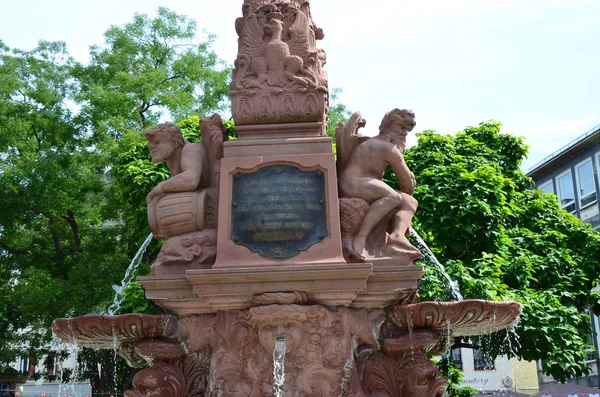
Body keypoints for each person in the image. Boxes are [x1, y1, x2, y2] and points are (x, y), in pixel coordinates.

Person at [339, 109, 418, 257]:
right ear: (388, 126)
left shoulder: (375, 143)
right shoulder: (388, 148)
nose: (404, 134)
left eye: (407, 131)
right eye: (401, 128)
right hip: (353, 183)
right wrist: (410, 180)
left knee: (410, 202)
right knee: (393, 197)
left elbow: (407, 189)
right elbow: (407, 183)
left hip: (367, 184)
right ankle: (360, 237)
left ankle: (397, 237)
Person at [144, 123, 207, 237]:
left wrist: (158, 189)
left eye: (157, 143)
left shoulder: (191, 149)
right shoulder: (175, 168)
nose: (151, 147)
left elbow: (190, 180)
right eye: (150, 144)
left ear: (174, 142)